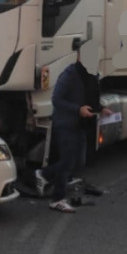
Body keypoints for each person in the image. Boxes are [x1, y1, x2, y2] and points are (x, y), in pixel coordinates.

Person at [35, 39, 112, 212]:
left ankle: (44, 174)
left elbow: (90, 99)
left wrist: (101, 109)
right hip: (66, 123)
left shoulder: (92, 75)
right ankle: (57, 199)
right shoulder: (69, 74)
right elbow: (56, 100)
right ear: (79, 56)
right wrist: (78, 110)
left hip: (81, 124)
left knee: (78, 161)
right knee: (68, 162)